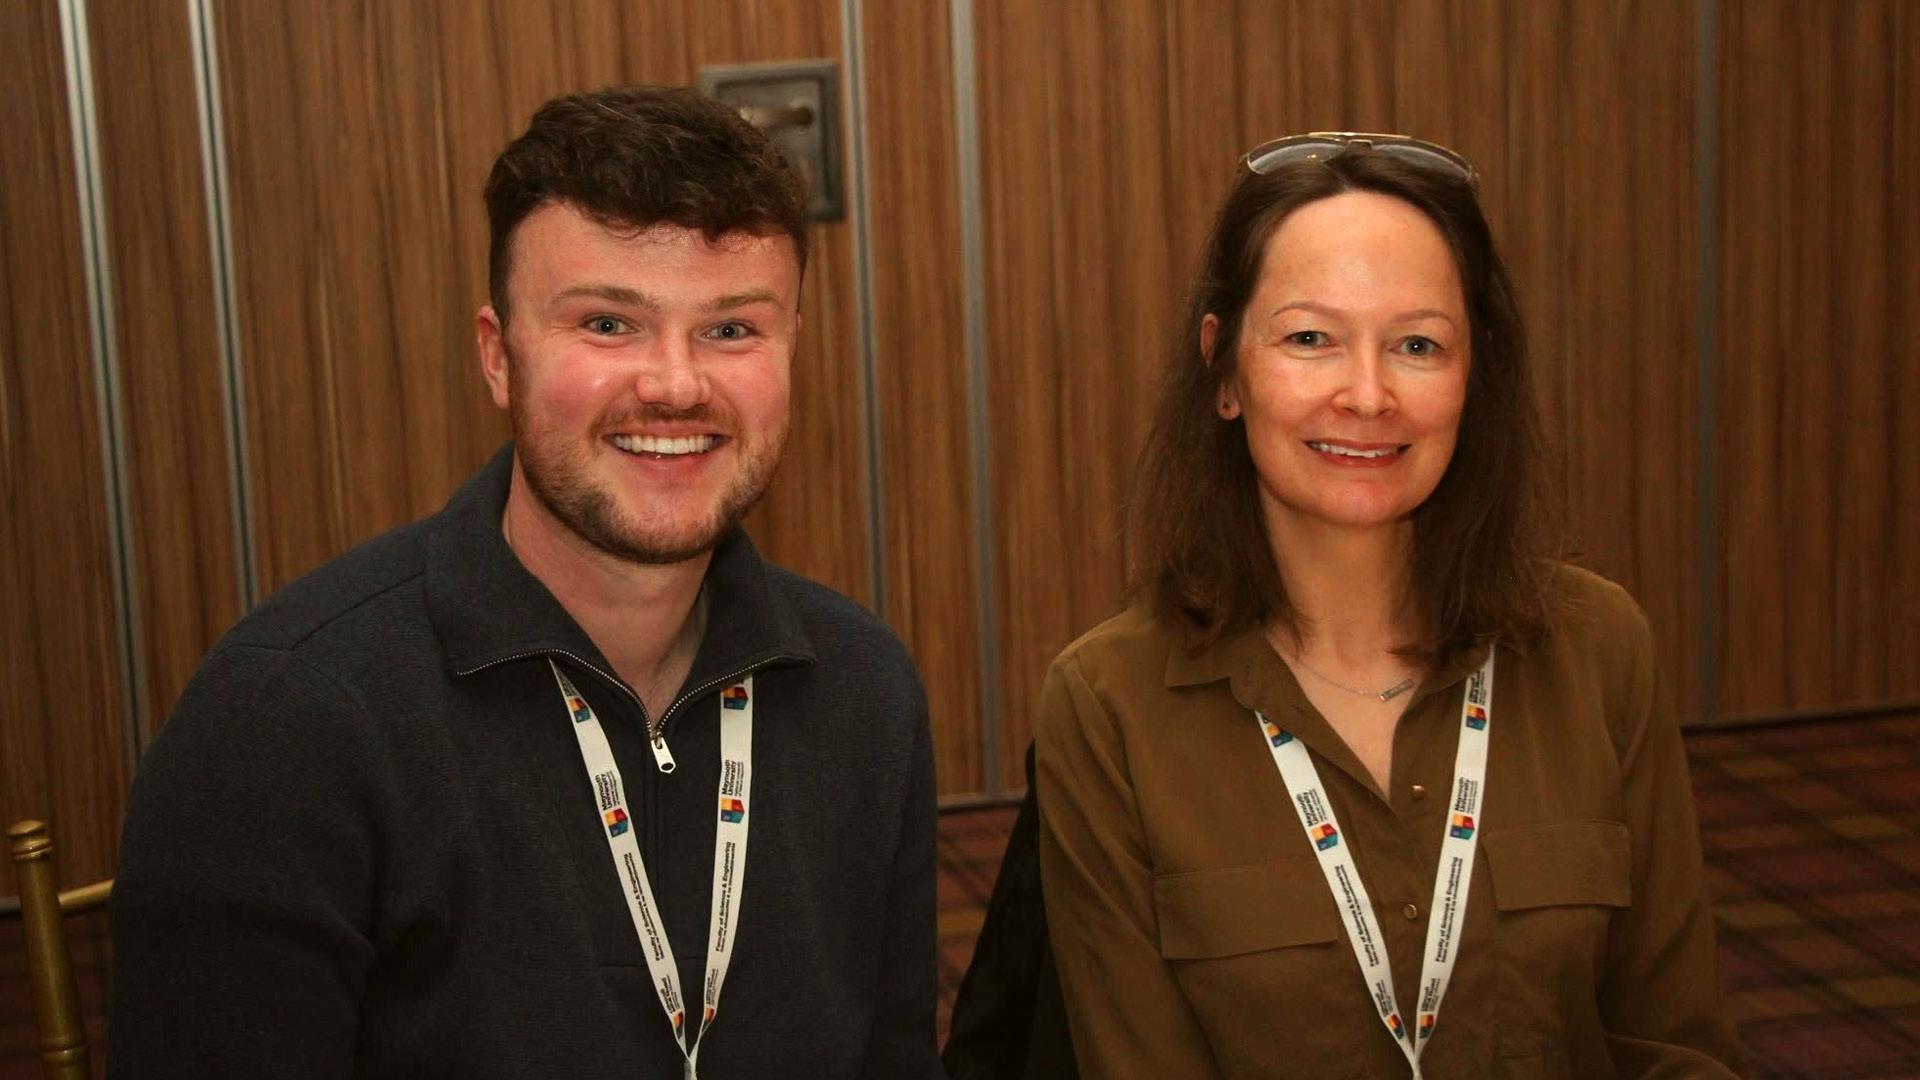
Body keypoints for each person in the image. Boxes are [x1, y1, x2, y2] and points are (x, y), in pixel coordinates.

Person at [108, 85, 942, 1079]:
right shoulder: (284, 726)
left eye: (731, 330)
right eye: (608, 323)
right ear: (498, 356)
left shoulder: (865, 692)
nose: (676, 384)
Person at [1033, 133, 1747, 1079]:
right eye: (1310, 339)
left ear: (1474, 374)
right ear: (1225, 370)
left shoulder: (1597, 646)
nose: (1367, 395)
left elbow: (1677, 1041)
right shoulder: (1107, 703)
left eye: (1418, 345)